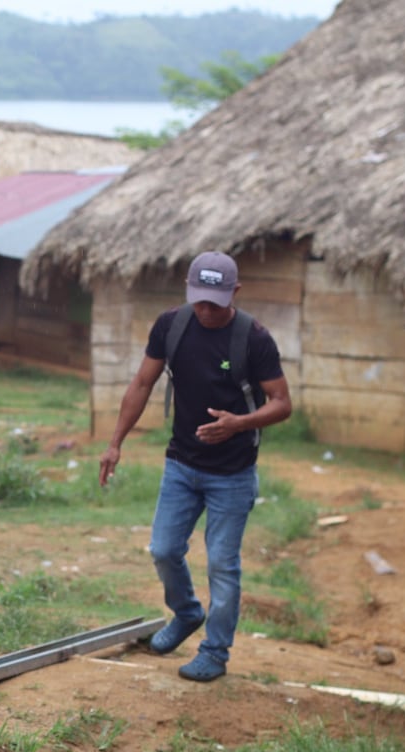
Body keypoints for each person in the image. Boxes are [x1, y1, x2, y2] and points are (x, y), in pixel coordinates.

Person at [99, 251, 292, 682]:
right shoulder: (172, 325)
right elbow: (142, 383)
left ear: (234, 293)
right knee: (164, 550)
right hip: (181, 465)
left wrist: (239, 424)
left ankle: (215, 652)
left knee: (223, 564)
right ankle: (187, 612)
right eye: (199, 300)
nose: (206, 310)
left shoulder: (254, 339)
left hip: (234, 473)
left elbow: (282, 404)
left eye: (215, 302)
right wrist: (115, 443)